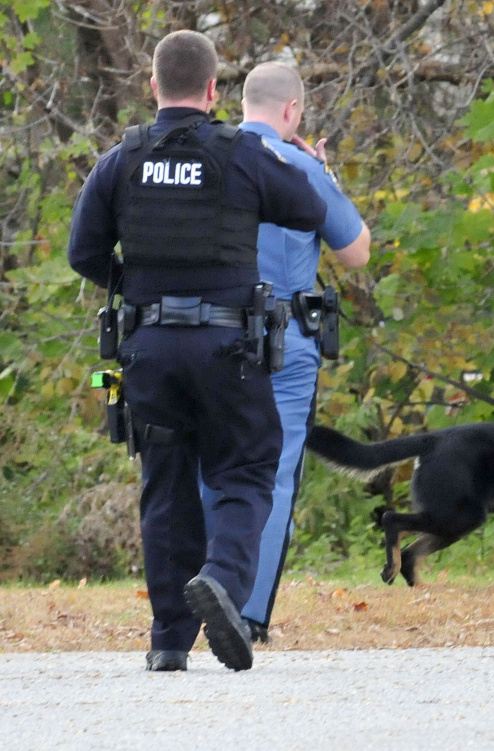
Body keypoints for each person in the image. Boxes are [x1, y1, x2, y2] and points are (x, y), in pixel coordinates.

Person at [68, 30, 328, 672]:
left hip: (147, 351)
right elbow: (309, 209)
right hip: (229, 347)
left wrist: (141, 291)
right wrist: (294, 159)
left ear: (153, 87)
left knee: (166, 483)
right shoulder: (239, 153)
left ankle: (167, 643)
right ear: (214, 91)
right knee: (245, 470)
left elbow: (83, 252)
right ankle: (222, 580)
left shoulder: (121, 159)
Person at [201, 62, 370, 644]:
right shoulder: (298, 166)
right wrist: (326, 173)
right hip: (283, 343)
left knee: (210, 464)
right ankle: (245, 612)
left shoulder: (208, 159)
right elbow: (357, 252)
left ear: (238, 101)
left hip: (208, 334)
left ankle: (205, 583)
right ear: (292, 111)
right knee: (271, 473)